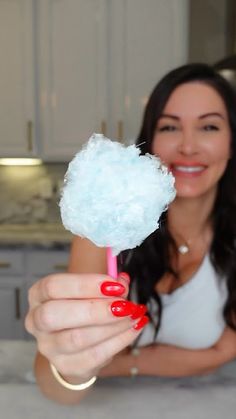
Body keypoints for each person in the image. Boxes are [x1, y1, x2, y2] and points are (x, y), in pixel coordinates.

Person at [25, 63, 236, 405]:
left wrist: (124, 363)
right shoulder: (104, 234)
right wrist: (72, 368)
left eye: (209, 126)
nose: (187, 146)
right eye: (170, 126)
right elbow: (56, 390)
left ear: (232, 143)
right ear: (150, 139)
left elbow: (224, 352)